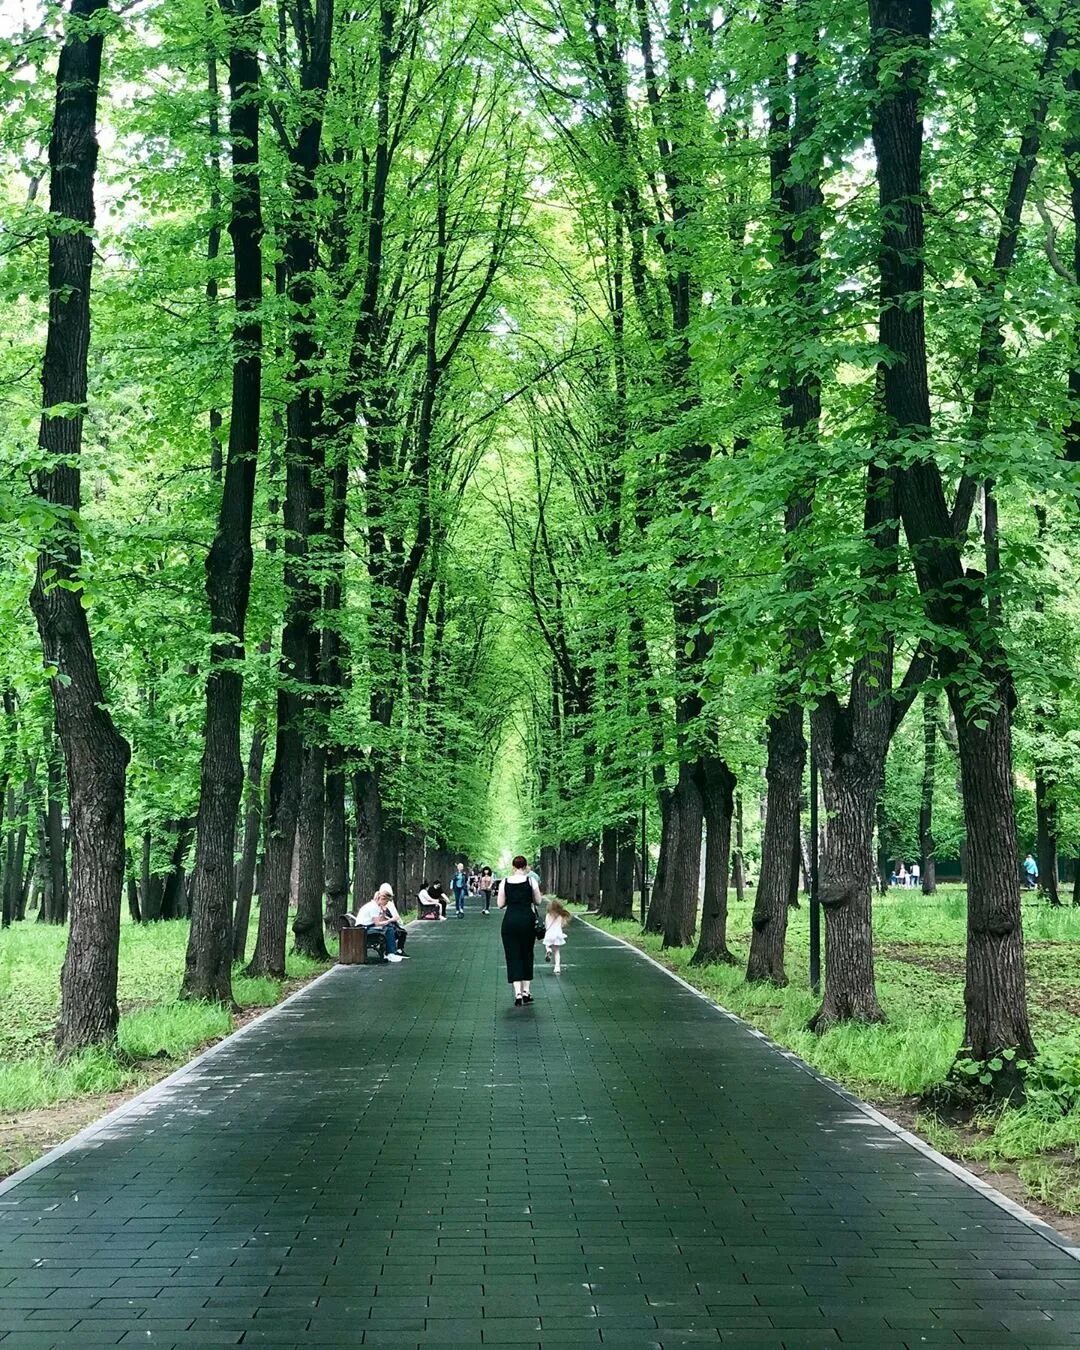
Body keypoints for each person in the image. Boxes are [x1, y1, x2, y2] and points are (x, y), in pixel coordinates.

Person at [498, 854, 542, 1005]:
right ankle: (526, 991)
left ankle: (517, 993)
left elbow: (500, 904)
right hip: (527, 921)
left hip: (510, 921)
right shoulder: (531, 881)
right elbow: (538, 901)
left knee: (513, 955)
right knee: (527, 953)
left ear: (513, 867)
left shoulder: (504, 882)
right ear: (526, 866)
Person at [353, 884, 405, 962]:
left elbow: (379, 920)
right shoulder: (374, 907)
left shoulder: (375, 906)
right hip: (363, 929)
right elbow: (377, 923)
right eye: (386, 901)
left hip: (365, 927)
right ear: (382, 899)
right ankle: (391, 953)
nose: (386, 903)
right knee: (389, 929)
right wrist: (390, 920)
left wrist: (383, 913)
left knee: (388, 927)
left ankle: (390, 952)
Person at [543, 899, 572, 974]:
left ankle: (548, 951)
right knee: (556, 951)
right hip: (557, 935)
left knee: (547, 945)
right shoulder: (560, 916)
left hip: (549, 934)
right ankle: (557, 967)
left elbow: (546, 925)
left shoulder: (548, 915)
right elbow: (562, 925)